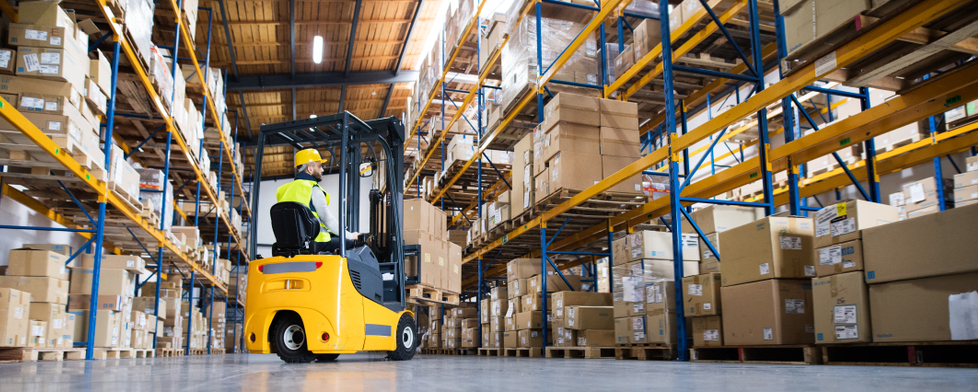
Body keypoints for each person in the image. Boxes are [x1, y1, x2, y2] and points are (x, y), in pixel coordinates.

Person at [276, 148, 359, 253]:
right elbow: (328, 220)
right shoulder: (313, 189)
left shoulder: (282, 190)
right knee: (355, 243)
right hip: (317, 241)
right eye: (320, 166)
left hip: (291, 244)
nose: (322, 170)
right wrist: (351, 236)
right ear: (310, 169)